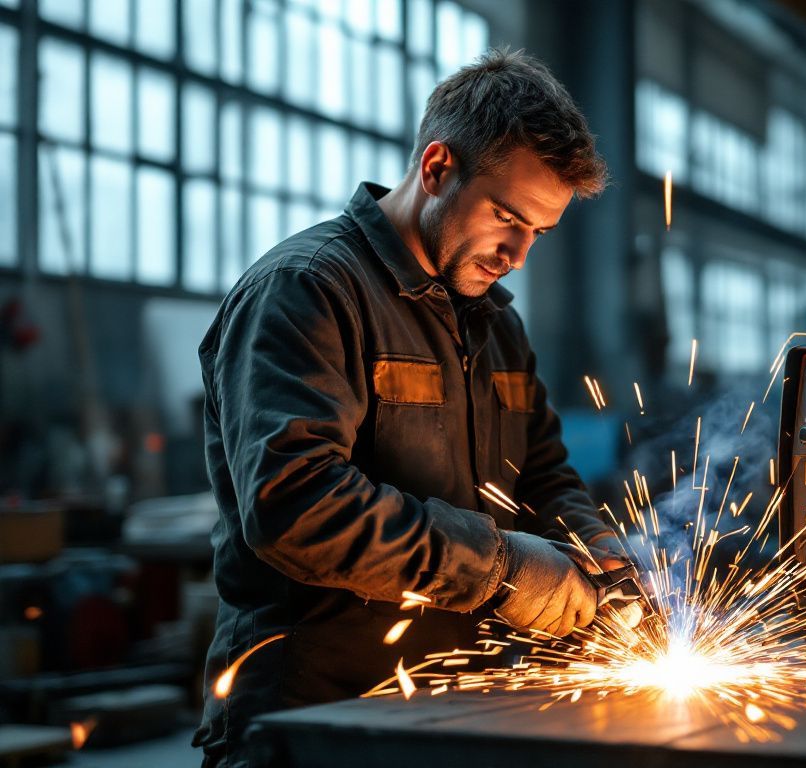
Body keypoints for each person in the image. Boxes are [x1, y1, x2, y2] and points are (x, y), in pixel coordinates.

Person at [193, 49, 628, 767]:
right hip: (315, 715)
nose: (517, 255)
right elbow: (295, 509)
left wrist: (598, 557)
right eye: (506, 217)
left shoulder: (495, 322)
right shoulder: (306, 292)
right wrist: (500, 570)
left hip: (459, 708)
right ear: (435, 169)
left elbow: (543, 475)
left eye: (539, 233)